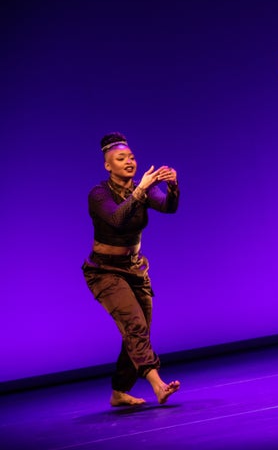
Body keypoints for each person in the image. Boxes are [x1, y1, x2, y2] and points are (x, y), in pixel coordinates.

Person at [82, 132, 181, 406]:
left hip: (134, 268)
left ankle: (119, 391)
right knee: (135, 325)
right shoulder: (99, 194)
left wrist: (172, 187)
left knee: (139, 330)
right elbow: (116, 219)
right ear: (108, 165)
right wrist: (139, 192)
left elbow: (167, 207)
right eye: (121, 158)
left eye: (132, 157)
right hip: (104, 271)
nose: (129, 162)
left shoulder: (143, 189)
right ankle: (158, 384)